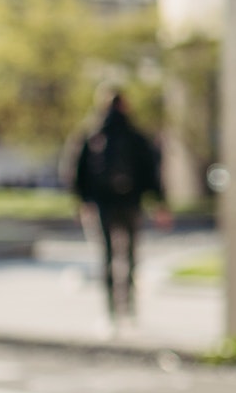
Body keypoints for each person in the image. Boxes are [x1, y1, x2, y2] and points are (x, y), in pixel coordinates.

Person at [67, 88, 168, 324]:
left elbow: (77, 172)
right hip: (130, 203)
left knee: (108, 257)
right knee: (130, 256)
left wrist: (82, 202)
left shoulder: (93, 135)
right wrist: (159, 203)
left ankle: (112, 310)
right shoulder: (134, 135)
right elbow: (151, 172)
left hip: (104, 203)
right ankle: (128, 308)